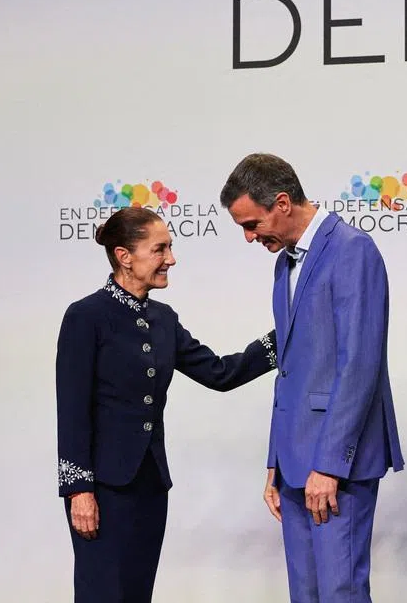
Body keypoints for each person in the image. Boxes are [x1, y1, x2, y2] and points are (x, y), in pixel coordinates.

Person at [56, 206, 277, 603]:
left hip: (151, 486)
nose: (171, 259)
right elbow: (72, 411)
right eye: (160, 250)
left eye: (170, 248)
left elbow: (220, 373)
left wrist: (281, 339)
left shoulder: (163, 318)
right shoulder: (85, 316)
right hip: (103, 491)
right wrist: (78, 491)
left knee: (138, 595)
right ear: (125, 257)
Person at [220, 153, 404, 603]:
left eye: (251, 223)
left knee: (340, 592)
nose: (248, 237)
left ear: (282, 203)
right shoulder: (284, 264)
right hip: (294, 463)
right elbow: (289, 372)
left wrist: (329, 465)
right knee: (305, 594)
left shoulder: (352, 250)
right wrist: (275, 462)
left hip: (336, 464)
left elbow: (360, 364)